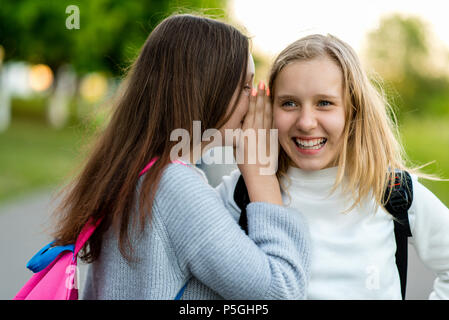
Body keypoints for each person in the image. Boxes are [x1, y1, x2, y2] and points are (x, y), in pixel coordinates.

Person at [50, 14, 310, 300]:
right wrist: (262, 177)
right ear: (208, 89)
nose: (254, 102)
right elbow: (282, 289)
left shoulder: (143, 172)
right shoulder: (174, 185)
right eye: (246, 87)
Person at [218, 34, 449, 299]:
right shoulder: (243, 191)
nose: (306, 122)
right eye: (289, 103)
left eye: (324, 103)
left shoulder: (392, 191)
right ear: (269, 110)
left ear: (354, 110)